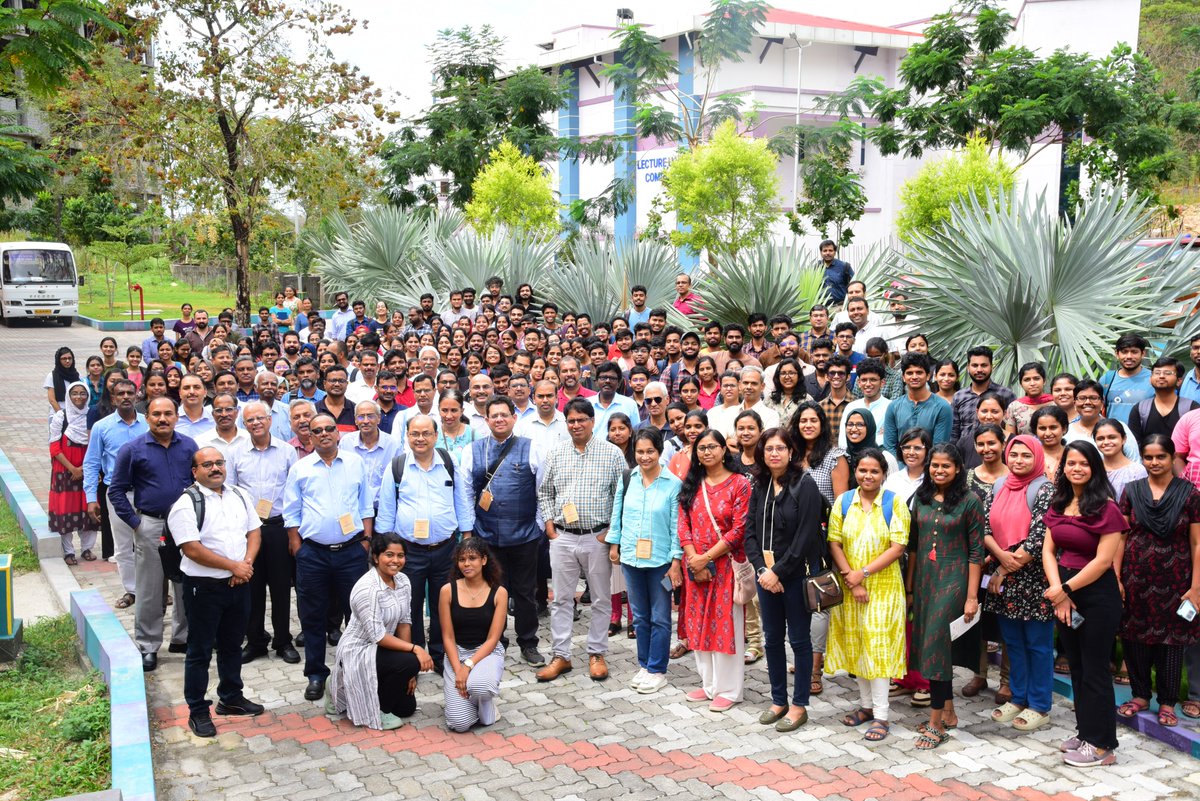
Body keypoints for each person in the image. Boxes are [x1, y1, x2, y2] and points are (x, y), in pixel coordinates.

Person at [168, 447, 265, 737]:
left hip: (239, 583)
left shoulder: (238, 494)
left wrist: (244, 566)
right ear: (195, 471)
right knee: (199, 651)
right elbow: (192, 549)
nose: (215, 468)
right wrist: (233, 567)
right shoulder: (186, 504)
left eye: (219, 463)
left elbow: (254, 532)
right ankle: (198, 710)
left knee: (232, 644)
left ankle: (231, 697)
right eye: (207, 464)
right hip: (204, 588)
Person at [1042, 441, 1127, 766]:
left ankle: (1103, 746)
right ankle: (1086, 731)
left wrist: (1064, 589)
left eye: (1083, 464)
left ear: (1095, 468)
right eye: (1071, 463)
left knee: (1094, 670)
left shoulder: (1106, 507)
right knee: (1076, 666)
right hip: (1064, 593)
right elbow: (1049, 551)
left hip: (1096, 597)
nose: (1076, 469)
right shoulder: (1060, 502)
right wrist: (1057, 590)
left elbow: (1104, 562)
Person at [283, 413, 375, 702]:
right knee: (312, 616)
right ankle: (315, 674)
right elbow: (291, 511)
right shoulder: (300, 468)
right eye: (316, 430)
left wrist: (366, 542)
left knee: (357, 614)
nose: (323, 434)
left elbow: (365, 505)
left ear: (338, 434)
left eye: (329, 429)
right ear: (308, 437)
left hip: (351, 551)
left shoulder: (355, 463)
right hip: (313, 554)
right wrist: (297, 546)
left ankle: (355, 670)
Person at [536, 398, 627, 682]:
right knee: (562, 600)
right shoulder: (557, 453)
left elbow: (621, 496)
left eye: (581, 420)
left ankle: (596, 652)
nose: (576, 425)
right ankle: (561, 655)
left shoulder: (611, 454)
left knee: (600, 598)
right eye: (571, 421)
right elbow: (544, 492)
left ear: (592, 421)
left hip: (596, 538)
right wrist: (550, 527)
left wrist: (611, 533)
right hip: (562, 537)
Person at [455, 395, 546, 668]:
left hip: (525, 536)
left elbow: (541, 489)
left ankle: (528, 643)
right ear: (486, 419)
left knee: (525, 593)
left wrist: (539, 526)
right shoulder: (473, 450)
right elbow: (466, 492)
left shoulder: (531, 448)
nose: (499, 419)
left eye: (504, 415)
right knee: (492, 593)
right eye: (493, 416)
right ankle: (495, 643)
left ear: (513, 417)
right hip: (486, 537)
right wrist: (469, 532)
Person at [108, 396, 198, 671]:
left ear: (176, 416)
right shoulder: (132, 449)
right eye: (156, 414)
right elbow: (116, 490)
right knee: (149, 588)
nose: (162, 419)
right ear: (147, 417)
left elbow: (198, 482)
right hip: (150, 525)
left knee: (186, 583)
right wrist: (136, 523)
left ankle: (182, 638)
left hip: (185, 526)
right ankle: (148, 645)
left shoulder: (189, 446)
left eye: (168, 413)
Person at [1116, 435, 1200, 728]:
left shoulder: (1189, 494)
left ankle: (1167, 702)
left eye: (1160, 457)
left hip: (1177, 578)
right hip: (1135, 575)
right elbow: (1121, 536)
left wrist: (1196, 587)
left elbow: (1197, 542)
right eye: (1148, 457)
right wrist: (1117, 577)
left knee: (1171, 641)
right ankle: (1139, 695)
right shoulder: (1131, 491)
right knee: (1133, 635)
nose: (1154, 463)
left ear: (1171, 457)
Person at [827, 448, 910, 741]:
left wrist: (862, 575)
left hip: (883, 589)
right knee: (858, 644)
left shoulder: (894, 503)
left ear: (883, 474)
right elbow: (834, 541)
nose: (868, 476)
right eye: (863, 470)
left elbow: (897, 546)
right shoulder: (844, 501)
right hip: (851, 588)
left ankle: (882, 715)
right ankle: (865, 707)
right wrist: (852, 578)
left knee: (878, 648)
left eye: (874, 471)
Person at [907, 444, 985, 749]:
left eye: (946, 466)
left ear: (957, 469)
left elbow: (976, 551)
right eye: (935, 466)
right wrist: (911, 588)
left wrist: (971, 597)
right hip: (925, 581)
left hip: (954, 581)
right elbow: (913, 545)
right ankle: (949, 713)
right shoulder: (922, 499)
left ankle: (936, 723)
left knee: (937, 647)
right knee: (932, 646)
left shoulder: (970, 501)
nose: (939, 471)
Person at [744, 428, 822, 732]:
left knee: (800, 641)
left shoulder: (805, 484)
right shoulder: (760, 484)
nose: (774, 453)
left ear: (791, 452)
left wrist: (779, 571)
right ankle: (778, 700)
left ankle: (799, 704)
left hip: (794, 576)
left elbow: (805, 537)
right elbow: (749, 532)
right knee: (772, 639)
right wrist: (763, 572)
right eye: (768, 448)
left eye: (780, 448)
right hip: (766, 578)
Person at [376, 414, 467, 669]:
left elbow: (461, 499)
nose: (420, 438)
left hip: (446, 547)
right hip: (409, 552)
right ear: (407, 436)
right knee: (410, 606)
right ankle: (416, 655)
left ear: (436, 436)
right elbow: (386, 508)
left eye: (426, 433)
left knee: (443, 605)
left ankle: (440, 656)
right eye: (415, 434)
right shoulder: (397, 466)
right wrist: (385, 549)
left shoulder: (449, 462)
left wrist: (467, 536)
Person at [981, 435, 1055, 731]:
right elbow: (985, 527)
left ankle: (1039, 704)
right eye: (1014, 455)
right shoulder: (999, 485)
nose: (1018, 461)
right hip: (1003, 577)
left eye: (1026, 456)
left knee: (1037, 643)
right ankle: (1018, 696)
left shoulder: (1046, 488)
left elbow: (1039, 536)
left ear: (1036, 457)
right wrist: (1001, 559)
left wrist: (1004, 567)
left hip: (1034, 578)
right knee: (1012, 642)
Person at [677, 429, 752, 711]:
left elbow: (740, 528)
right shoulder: (692, 483)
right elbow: (683, 522)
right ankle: (708, 685)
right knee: (699, 623)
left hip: (725, 565)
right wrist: (693, 557)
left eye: (712, 447)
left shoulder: (740, 484)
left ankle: (730, 690)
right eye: (701, 448)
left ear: (724, 450)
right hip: (695, 564)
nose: (706, 452)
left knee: (726, 626)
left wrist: (707, 556)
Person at [327, 534, 434, 731]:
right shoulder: (368, 589)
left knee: (406, 708)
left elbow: (404, 622)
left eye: (401, 555)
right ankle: (378, 710)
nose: (396, 561)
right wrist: (415, 651)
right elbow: (377, 636)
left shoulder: (403, 581)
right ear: (376, 557)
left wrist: (409, 673)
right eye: (389, 555)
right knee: (411, 660)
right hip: (359, 650)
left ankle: (349, 685)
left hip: (384, 649)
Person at [606, 428, 683, 694]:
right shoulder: (628, 478)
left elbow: (677, 527)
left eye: (650, 451)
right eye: (640, 451)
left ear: (660, 452)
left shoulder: (673, 484)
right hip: (631, 558)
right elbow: (618, 513)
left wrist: (676, 561)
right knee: (638, 617)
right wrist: (614, 544)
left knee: (660, 616)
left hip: (660, 561)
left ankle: (658, 669)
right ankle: (644, 664)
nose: (645, 456)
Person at [226, 402, 299, 665]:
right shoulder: (235, 453)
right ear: (243, 424)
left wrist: (294, 534)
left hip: (278, 528)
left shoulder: (287, 451)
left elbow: (294, 494)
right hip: (248, 531)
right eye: (249, 420)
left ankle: (283, 640)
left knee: (281, 588)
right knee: (251, 588)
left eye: (260, 418)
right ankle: (255, 640)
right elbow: (230, 492)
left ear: (270, 420)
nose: (255, 423)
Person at [438, 538, 509, 731]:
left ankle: (485, 702)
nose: (466, 564)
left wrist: (468, 667)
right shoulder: (447, 591)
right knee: (459, 724)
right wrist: (457, 669)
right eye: (462, 559)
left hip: (486, 652)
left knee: (480, 687)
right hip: (456, 653)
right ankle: (471, 699)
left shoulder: (499, 592)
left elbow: (493, 638)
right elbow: (448, 637)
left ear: (484, 560)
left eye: (472, 558)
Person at [49, 381, 97, 564]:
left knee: (89, 509)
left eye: (83, 393)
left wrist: (84, 469)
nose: (79, 397)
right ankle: (68, 551)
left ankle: (87, 549)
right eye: (74, 393)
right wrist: (73, 469)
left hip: (88, 470)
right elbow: (54, 448)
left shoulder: (92, 415)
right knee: (65, 510)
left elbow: (96, 445)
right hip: (65, 472)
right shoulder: (61, 417)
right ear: (68, 396)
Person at [883, 352, 952, 454]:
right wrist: (902, 468)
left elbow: (939, 448)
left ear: (928, 376)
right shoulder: (893, 407)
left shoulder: (942, 407)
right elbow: (890, 447)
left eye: (919, 372)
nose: (914, 377)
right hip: (899, 467)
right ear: (903, 377)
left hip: (930, 467)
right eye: (909, 373)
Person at [1065, 380, 1140, 463]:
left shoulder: (1119, 427)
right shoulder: (1066, 432)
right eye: (1082, 398)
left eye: (1093, 398)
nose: (1087, 402)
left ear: (1102, 402)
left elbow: (1135, 460)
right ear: (1075, 403)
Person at [951, 347, 1015, 442]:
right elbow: (954, 432)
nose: (979, 369)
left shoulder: (1006, 394)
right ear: (968, 367)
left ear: (991, 367)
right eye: (975, 365)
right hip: (965, 452)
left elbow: (1011, 428)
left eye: (984, 365)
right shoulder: (959, 396)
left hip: (997, 451)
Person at [1128, 357, 1196, 443]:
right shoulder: (1139, 409)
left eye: (1168, 373)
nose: (1161, 376)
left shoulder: (1191, 408)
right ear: (1150, 379)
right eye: (1157, 373)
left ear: (1179, 381)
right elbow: (1135, 443)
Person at [1098, 333, 1153, 425]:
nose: (1129, 356)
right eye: (1124, 351)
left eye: (1134, 352)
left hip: (1144, 437)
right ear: (1117, 354)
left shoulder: (1154, 378)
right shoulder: (1107, 379)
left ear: (1143, 354)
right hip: (1113, 436)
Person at [1095, 418, 1146, 500]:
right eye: (1100, 438)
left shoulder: (1136, 471)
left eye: (1112, 437)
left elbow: (1140, 505)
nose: (1106, 442)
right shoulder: (1093, 469)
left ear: (1124, 439)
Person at [844, 408, 898, 480]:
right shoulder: (843, 456)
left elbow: (894, 487)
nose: (853, 429)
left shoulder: (885, 458)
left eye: (860, 425)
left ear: (870, 427)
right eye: (850, 424)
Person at [1005, 363, 1053, 436]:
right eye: (1027, 380)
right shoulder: (1014, 407)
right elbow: (1010, 438)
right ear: (1021, 384)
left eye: (1036, 378)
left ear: (1044, 381)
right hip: (1023, 447)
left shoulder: (1055, 403)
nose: (1032, 383)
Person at [1033, 406, 1069, 483]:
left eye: (1053, 427)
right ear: (1035, 431)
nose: (1048, 433)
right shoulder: (1031, 456)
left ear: (1064, 428)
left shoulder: (1072, 455)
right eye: (1042, 428)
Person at [45, 346, 80, 415]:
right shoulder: (52, 376)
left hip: (74, 414)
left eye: (69, 358)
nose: (67, 361)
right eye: (64, 359)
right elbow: (52, 400)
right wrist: (61, 414)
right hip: (57, 414)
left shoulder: (77, 375)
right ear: (58, 360)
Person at [819, 240, 853, 305]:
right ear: (821, 253)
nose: (827, 253)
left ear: (834, 252)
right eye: (825, 251)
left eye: (830, 250)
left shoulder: (844, 266)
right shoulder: (815, 268)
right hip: (821, 308)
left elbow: (854, 284)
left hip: (841, 306)